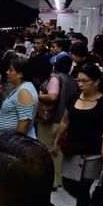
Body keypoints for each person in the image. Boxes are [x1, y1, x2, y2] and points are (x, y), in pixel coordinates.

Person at [51, 64, 103, 206]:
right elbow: (65, 121)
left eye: (84, 81)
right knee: (68, 183)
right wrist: (56, 141)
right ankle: (87, 203)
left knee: (84, 186)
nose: (80, 84)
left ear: (96, 82)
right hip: (72, 150)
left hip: (93, 154)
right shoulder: (74, 98)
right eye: (78, 81)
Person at [37, 55, 76, 189]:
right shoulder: (72, 80)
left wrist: (40, 95)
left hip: (51, 120)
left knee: (47, 150)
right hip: (64, 120)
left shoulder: (55, 78)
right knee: (57, 152)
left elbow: (53, 96)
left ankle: (49, 180)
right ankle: (58, 180)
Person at [0, 57, 38, 138]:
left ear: (20, 74)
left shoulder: (25, 92)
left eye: (11, 70)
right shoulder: (22, 88)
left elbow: (24, 123)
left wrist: (14, 146)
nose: (7, 72)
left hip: (13, 144)